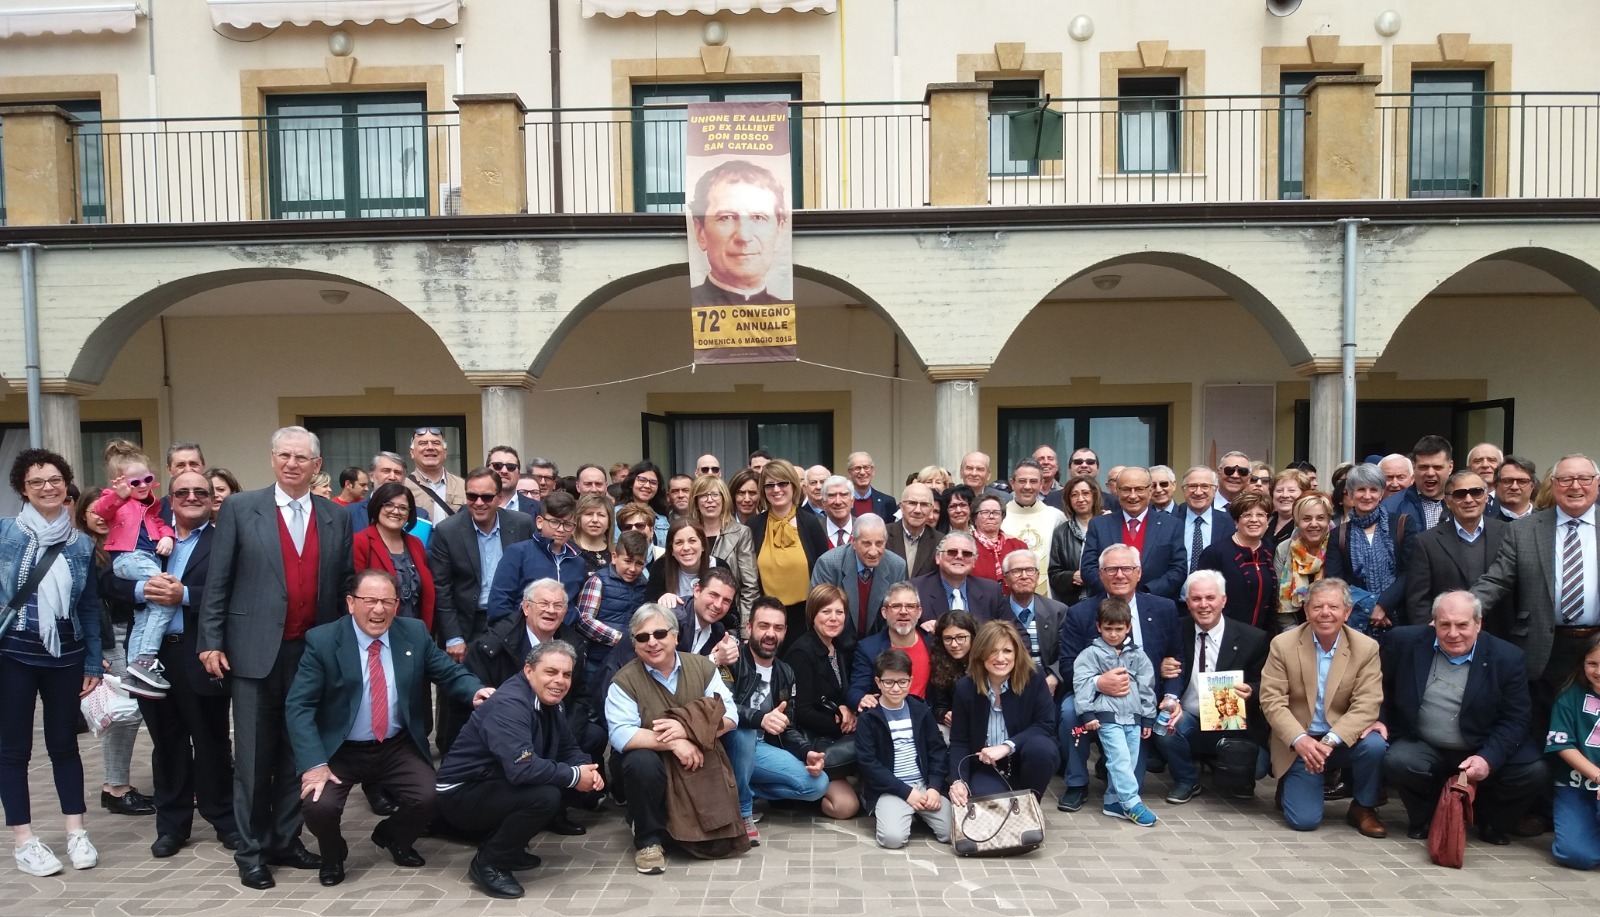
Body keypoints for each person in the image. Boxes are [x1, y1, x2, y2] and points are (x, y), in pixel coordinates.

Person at [198, 426, 355, 890]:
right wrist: (210, 639)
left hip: (310, 655)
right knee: (251, 758)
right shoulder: (242, 510)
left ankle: (286, 840)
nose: (292, 463)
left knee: (297, 752)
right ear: (271, 459)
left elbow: (343, 583)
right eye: (284, 455)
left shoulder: (336, 517)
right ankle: (251, 852)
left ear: (316, 466)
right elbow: (218, 579)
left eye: (301, 457)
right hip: (252, 654)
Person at [285, 570, 490, 887]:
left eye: (387, 601)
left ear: (397, 605)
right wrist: (314, 764)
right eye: (370, 601)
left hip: (395, 744)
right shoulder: (324, 641)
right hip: (341, 748)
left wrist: (475, 691)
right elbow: (299, 705)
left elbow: (449, 673)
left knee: (432, 796)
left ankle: (393, 836)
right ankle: (332, 853)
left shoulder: (413, 633)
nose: (379, 610)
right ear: (351, 603)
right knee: (318, 805)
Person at [99, 470, 239, 858]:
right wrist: (142, 589)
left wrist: (187, 594)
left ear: (212, 499)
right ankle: (172, 826)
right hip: (151, 657)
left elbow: (238, 590)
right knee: (167, 743)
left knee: (211, 743)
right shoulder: (145, 533)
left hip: (201, 653)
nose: (191, 497)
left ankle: (224, 819)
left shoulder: (224, 539)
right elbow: (107, 583)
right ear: (170, 499)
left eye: (200, 491)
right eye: (182, 492)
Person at [2, 449, 104, 876]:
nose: (48, 487)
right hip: (14, 654)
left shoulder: (81, 542)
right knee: (13, 750)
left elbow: (88, 608)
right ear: (22, 489)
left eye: (55, 479)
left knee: (64, 745)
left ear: (67, 484)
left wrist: (94, 664)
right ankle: (23, 839)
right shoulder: (5, 533)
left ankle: (75, 831)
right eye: (37, 482)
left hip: (68, 654)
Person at [437, 640, 601, 898]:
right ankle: (489, 863)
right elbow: (522, 769)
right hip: (461, 793)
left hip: (494, 780)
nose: (559, 680)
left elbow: (567, 746)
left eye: (566, 674)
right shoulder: (509, 705)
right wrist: (574, 776)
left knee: (567, 788)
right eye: (551, 672)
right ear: (528, 671)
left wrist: (585, 768)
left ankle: (509, 848)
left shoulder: (550, 698)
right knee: (545, 797)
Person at [1378, 591, 1546, 844]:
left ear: (1478, 624)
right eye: (1444, 624)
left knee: (1533, 771)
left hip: (1481, 743)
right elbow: (1379, 687)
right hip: (1423, 743)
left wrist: (1487, 759)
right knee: (1398, 761)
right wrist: (1378, 718)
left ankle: (1492, 822)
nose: (1453, 633)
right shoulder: (1404, 642)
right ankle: (1425, 818)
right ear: (1434, 622)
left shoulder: (1507, 657)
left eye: (1462, 625)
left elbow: (1516, 718)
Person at [604, 605, 743, 875]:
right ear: (634, 644)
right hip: (650, 761)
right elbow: (621, 733)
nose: (652, 642)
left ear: (675, 636)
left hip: (695, 762)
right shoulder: (624, 681)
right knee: (640, 763)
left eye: (659, 633)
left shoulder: (703, 667)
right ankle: (648, 841)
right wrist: (674, 742)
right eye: (642, 637)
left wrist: (687, 730)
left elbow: (731, 717)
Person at [466, 578, 603, 837]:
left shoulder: (574, 644)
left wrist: (564, 731)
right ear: (526, 607)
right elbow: (479, 695)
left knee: (593, 735)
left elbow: (582, 696)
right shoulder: (493, 643)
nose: (551, 610)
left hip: (556, 722)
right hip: (507, 728)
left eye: (558, 605)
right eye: (544, 603)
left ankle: (559, 808)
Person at [1055, 544, 1182, 815]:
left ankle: (1115, 792)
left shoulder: (1164, 609)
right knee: (1068, 710)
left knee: (1131, 781)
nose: (1119, 575)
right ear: (1100, 574)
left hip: (1140, 702)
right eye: (1111, 569)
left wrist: (1171, 697)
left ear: (1139, 572)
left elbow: (1174, 660)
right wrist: (1099, 682)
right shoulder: (1080, 613)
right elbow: (1067, 665)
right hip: (1094, 694)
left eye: (1127, 568)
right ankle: (1077, 782)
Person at [1472, 455, 1600, 716]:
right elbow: (1497, 579)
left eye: (1584, 478)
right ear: (1552, 485)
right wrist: (1466, 609)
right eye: (1565, 479)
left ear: (1597, 483)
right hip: (1544, 646)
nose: (1575, 486)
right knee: (1542, 723)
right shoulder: (1525, 530)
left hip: (1597, 644)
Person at [1259, 578, 1389, 836]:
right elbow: (1271, 700)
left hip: (1339, 739)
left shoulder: (1366, 648)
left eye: (1333, 606)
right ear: (1306, 611)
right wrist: (1300, 741)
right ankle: (1289, 784)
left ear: (1348, 612)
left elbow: (1367, 703)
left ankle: (1363, 806)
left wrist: (1329, 740)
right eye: (1317, 607)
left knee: (1374, 745)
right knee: (1304, 821)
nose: (1325, 613)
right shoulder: (1283, 645)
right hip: (1300, 741)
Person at [724, 599, 855, 846]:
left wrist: (807, 753)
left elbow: (789, 725)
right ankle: (742, 812)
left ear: (785, 631)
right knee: (745, 733)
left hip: (763, 750)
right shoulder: (732, 660)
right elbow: (723, 708)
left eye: (778, 627)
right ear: (749, 627)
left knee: (817, 785)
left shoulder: (785, 672)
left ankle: (740, 789)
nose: (770, 634)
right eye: (763, 626)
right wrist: (760, 719)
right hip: (730, 745)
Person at [426, 467, 535, 754]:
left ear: (500, 497)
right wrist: (452, 637)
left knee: (512, 684)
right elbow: (442, 588)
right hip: (466, 622)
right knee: (461, 690)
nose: (478, 502)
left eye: (486, 497)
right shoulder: (447, 531)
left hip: (512, 619)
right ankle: (453, 755)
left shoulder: (522, 524)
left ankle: (509, 749)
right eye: (472, 496)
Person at [74, 487, 156, 815]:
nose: (101, 517)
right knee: (125, 713)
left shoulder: (124, 544)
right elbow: (83, 605)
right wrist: (92, 653)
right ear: (83, 516)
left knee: (126, 714)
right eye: (93, 512)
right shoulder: (82, 550)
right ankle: (116, 788)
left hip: (131, 633)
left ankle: (115, 786)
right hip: (109, 640)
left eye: (105, 511)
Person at [1161, 570, 1270, 804]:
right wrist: (1161, 668)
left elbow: (1268, 684)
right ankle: (1186, 779)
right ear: (1187, 602)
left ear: (1223, 600)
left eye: (1210, 598)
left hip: (1231, 723)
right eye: (1196, 599)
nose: (1203, 605)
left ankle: (1219, 763)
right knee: (1165, 724)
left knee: (1258, 768)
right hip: (1188, 716)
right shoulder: (1174, 631)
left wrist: (1251, 690)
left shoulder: (1253, 638)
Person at [92, 441, 177, 693]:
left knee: (145, 612)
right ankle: (146, 659)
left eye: (147, 479)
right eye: (134, 482)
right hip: (129, 557)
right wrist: (118, 495)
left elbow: (160, 525)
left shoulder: (151, 506)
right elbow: (101, 510)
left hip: (145, 558)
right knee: (167, 598)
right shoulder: (115, 500)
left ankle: (133, 669)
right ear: (119, 483)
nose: (142, 486)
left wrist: (167, 537)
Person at [948, 620, 1060, 804]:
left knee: (1042, 748)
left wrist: (1007, 746)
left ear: (1016, 653)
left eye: (1007, 651)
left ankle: (1030, 806)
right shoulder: (965, 688)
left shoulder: (1034, 678)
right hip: (988, 768)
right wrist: (958, 780)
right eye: (993, 651)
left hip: (1026, 761)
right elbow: (959, 741)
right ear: (981, 653)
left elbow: (1045, 725)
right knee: (986, 804)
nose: (1000, 658)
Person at [1072, 598, 1159, 826]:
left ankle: (1112, 802)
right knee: (1119, 759)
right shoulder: (1090, 654)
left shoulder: (1138, 655)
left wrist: (1148, 717)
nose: (1113, 634)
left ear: (1128, 627)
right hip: (1107, 717)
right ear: (1098, 626)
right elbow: (1081, 684)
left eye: (1118, 629)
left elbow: (1146, 686)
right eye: (1108, 628)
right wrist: (1087, 714)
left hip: (1133, 717)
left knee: (1129, 761)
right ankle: (1132, 803)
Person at [857, 647, 953, 849]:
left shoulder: (920, 710)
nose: (895, 688)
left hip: (923, 785)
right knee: (892, 839)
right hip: (892, 788)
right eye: (889, 682)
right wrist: (905, 792)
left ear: (910, 680)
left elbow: (937, 751)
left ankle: (917, 814)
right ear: (878, 682)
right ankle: (897, 811)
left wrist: (935, 787)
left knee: (953, 832)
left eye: (902, 682)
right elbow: (869, 763)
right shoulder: (869, 717)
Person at [1404, 472, 1506, 627]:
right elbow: (1418, 599)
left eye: (1476, 492)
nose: (1469, 499)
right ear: (1448, 501)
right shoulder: (1427, 542)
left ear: (1486, 496)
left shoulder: (1508, 533)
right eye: (1460, 494)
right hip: (1449, 637)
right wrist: (1431, 633)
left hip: (1500, 634)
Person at [1324, 462, 1414, 634]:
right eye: (1360, 490)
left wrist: (1383, 606)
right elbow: (1336, 581)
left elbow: (1410, 571)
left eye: (1373, 490)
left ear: (1381, 494)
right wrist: (1369, 608)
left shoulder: (1402, 524)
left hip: (1398, 619)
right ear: (1350, 494)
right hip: (1357, 621)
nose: (1367, 496)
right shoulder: (1339, 534)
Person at [750, 459, 829, 651]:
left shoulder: (812, 524)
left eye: (782, 483)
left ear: (793, 486)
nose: (776, 489)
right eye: (769, 485)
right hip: (767, 618)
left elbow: (824, 574)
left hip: (805, 619)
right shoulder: (753, 527)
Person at [690, 159, 790, 305]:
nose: (744, 236)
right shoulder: (678, 308)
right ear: (700, 232)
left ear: (779, 232)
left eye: (758, 217)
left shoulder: (795, 314)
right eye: (726, 217)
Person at [1081, 466, 1187, 600]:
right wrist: (1115, 590)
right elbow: (1088, 568)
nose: (1132, 495)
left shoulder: (1171, 525)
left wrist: (1146, 593)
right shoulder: (1099, 525)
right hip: (1108, 605)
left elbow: (1178, 569)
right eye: (1126, 489)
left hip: (1153, 603)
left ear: (1150, 491)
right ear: (1117, 491)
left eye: (1139, 489)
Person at [785, 585, 860, 771]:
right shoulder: (802, 652)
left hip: (833, 736)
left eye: (839, 612)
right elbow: (803, 712)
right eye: (826, 611)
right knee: (845, 802)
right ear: (813, 614)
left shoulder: (839, 647)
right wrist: (843, 725)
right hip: (813, 742)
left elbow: (839, 691)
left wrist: (845, 708)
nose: (833, 618)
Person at [809, 513, 906, 649]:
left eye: (879, 543)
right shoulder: (828, 564)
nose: (873, 551)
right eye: (866, 544)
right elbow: (817, 614)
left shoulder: (897, 566)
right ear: (853, 542)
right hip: (835, 645)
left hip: (878, 647)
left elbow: (895, 615)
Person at [486, 491, 585, 622]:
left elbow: (573, 605)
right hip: (520, 634)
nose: (561, 529)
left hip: (561, 637)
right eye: (554, 522)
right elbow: (500, 602)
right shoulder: (518, 553)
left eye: (568, 525)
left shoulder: (577, 561)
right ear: (539, 522)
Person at [1546, 635, 1600, 869]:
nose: (1599, 671)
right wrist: (1598, 776)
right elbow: (1562, 744)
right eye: (1593, 664)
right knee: (1576, 855)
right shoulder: (1570, 697)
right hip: (1576, 785)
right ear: (1582, 664)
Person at [352, 482, 435, 631]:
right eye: (389, 505)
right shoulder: (360, 542)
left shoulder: (415, 543)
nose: (396, 511)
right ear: (377, 506)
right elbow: (354, 593)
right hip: (375, 631)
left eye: (403, 508)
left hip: (415, 631)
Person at [1196, 493, 1280, 633]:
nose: (1254, 520)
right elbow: (1202, 597)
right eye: (1247, 515)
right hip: (1226, 635)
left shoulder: (1269, 549)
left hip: (1263, 637)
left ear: (1267, 521)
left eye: (1260, 515)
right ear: (1236, 522)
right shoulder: (1216, 553)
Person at [573, 531, 653, 677]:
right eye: (627, 561)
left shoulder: (645, 586)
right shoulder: (599, 581)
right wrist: (619, 638)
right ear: (615, 557)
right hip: (597, 660)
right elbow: (584, 620)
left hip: (631, 662)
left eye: (639, 563)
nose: (632, 569)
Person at [848, 582, 933, 708]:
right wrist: (861, 699)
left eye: (910, 606)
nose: (903, 612)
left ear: (919, 612)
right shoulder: (868, 648)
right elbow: (856, 690)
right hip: (885, 721)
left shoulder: (933, 643)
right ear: (884, 612)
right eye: (896, 606)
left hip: (926, 719)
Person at [688, 475, 758, 627]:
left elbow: (750, 587)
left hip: (728, 621)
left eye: (715, 494)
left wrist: (744, 628)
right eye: (703, 495)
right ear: (696, 501)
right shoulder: (687, 534)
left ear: (724, 499)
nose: (709, 500)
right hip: (690, 621)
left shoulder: (741, 533)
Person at [1001, 549, 1068, 698]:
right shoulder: (996, 611)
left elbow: (1067, 653)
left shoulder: (1058, 611)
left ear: (1038, 576)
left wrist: (1054, 677)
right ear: (1006, 579)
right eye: (1017, 571)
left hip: (1048, 687)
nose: (1024, 576)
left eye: (1030, 570)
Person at [913, 531, 1010, 627]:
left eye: (966, 553)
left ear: (974, 561)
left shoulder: (991, 590)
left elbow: (1011, 628)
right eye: (952, 552)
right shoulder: (916, 590)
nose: (959, 556)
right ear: (938, 557)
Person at [1001, 460, 1068, 599]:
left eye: (1033, 481)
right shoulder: (1000, 516)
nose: (1027, 486)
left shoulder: (1056, 517)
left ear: (1041, 483)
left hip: (1049, 598)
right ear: (1012, 483)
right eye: (1022, 481)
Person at [1274, 492, 1333, 632]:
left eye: (1320, 518)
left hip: (1333, 627)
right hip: (1292, 628)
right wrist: (1292, 632)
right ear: (1296, 521)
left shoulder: (1337, 546)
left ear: (1329, 519)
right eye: (1306, 518)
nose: (1314, 524)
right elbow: (1276, 596)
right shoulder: (1283, 549)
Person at [1047, 474, 1103, 606]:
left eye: (1086, 493)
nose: (1081, 499)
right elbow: (1054, 574)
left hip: (1106, 599)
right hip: (1074, 602)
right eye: (1074, 495)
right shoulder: (1061, 532)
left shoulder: (1108, 525)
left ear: (1094, 496)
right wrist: (1071, 577)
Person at [1383, 435, 1455, 534]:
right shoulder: (1390, 507)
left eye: (1437, 467)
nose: (1430, 473)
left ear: (1450, 467)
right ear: (1414, 467)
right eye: (1423, 467)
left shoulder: (1467, 502)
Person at [1175, 466, 1236, 578]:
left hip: (1215, 592)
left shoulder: (1230, 523)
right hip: (1174, 593)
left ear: (1215, 489)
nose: (1198, 492)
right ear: (1183, 489)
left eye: (1205, 486)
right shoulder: (1170, 522)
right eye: (1192, 486)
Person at [649, 521, 723, 610]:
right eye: (679, 542)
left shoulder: (719, 567)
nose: (686, 548)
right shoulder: (660, 567)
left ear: (703, 545)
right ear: (671, 550)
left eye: (692, 541)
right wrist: (661, 599)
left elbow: (732, 616)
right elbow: (648, 609)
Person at [925, 611, 978, 727]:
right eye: (948, 639)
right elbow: (938, 706)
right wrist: (944, 715)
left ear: (973, 637)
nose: (954, 644)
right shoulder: (940, 664)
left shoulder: (985, 661)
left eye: (961, 637)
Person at [403, 427, 465, 521]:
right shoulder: (403, 487)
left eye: (436, 443)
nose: (430, 447)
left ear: (445, 452)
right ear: (412, 453)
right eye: (423, 443)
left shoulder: (463, 485)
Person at [970, 492, 1026, 590]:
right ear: (975, 518)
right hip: (977, 602)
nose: (991, 516)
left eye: (996, 513)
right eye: (985, 512)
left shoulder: (1018, 546)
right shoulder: (966, 546)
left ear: (1002, 518)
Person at [886, 482, 938, 579]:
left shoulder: (940, 541)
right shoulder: (883, 535)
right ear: (901, 506)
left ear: (931, 509)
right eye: (912, 503)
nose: (918, 510)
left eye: (924, 504)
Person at [620, 462, 671, 547]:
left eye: (653, 482)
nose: (647, 486)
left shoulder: (662, 519)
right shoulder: (617, 513)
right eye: (642, 480)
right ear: (631, 482)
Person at [487, 445, 538, 518]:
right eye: (497, 466)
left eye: (511, 467)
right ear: (487, 471)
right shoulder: (469, 509)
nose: (504, 471)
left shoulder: (539, 509)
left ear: (518, 473)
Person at [572, 492, 615, 576]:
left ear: (609, 522)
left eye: (601, 515)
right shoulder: (568, 551)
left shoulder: (616, 553)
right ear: (578, 519)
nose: (595, 520)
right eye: (589, 514)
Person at [845, 452, 898, 520]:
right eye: (857, 468)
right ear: (849, 473)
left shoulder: (888, 502)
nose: (862, 472)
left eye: (866, 467)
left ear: (873, 471)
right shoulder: (843, 501)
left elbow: (892, 529)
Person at [1267, 469, 1309, 550]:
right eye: (1279, 490)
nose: (1285, 495)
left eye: (1291, 490)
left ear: (1304, 494)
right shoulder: (1266, 521)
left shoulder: (1307, 525)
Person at [1492, 455, 1538, 521]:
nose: (1514, 487)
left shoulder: (1549, 523)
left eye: (1522, 481)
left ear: (1532, 486)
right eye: (1507, 481)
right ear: (1495, 486)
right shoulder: (1486, 527)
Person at [818, 474, 857, 547]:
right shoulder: (814, 529)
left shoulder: (864, 528)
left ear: (852, 501)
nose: (838, 502)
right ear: (823, 502)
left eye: (844, 495)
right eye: (831, 495)